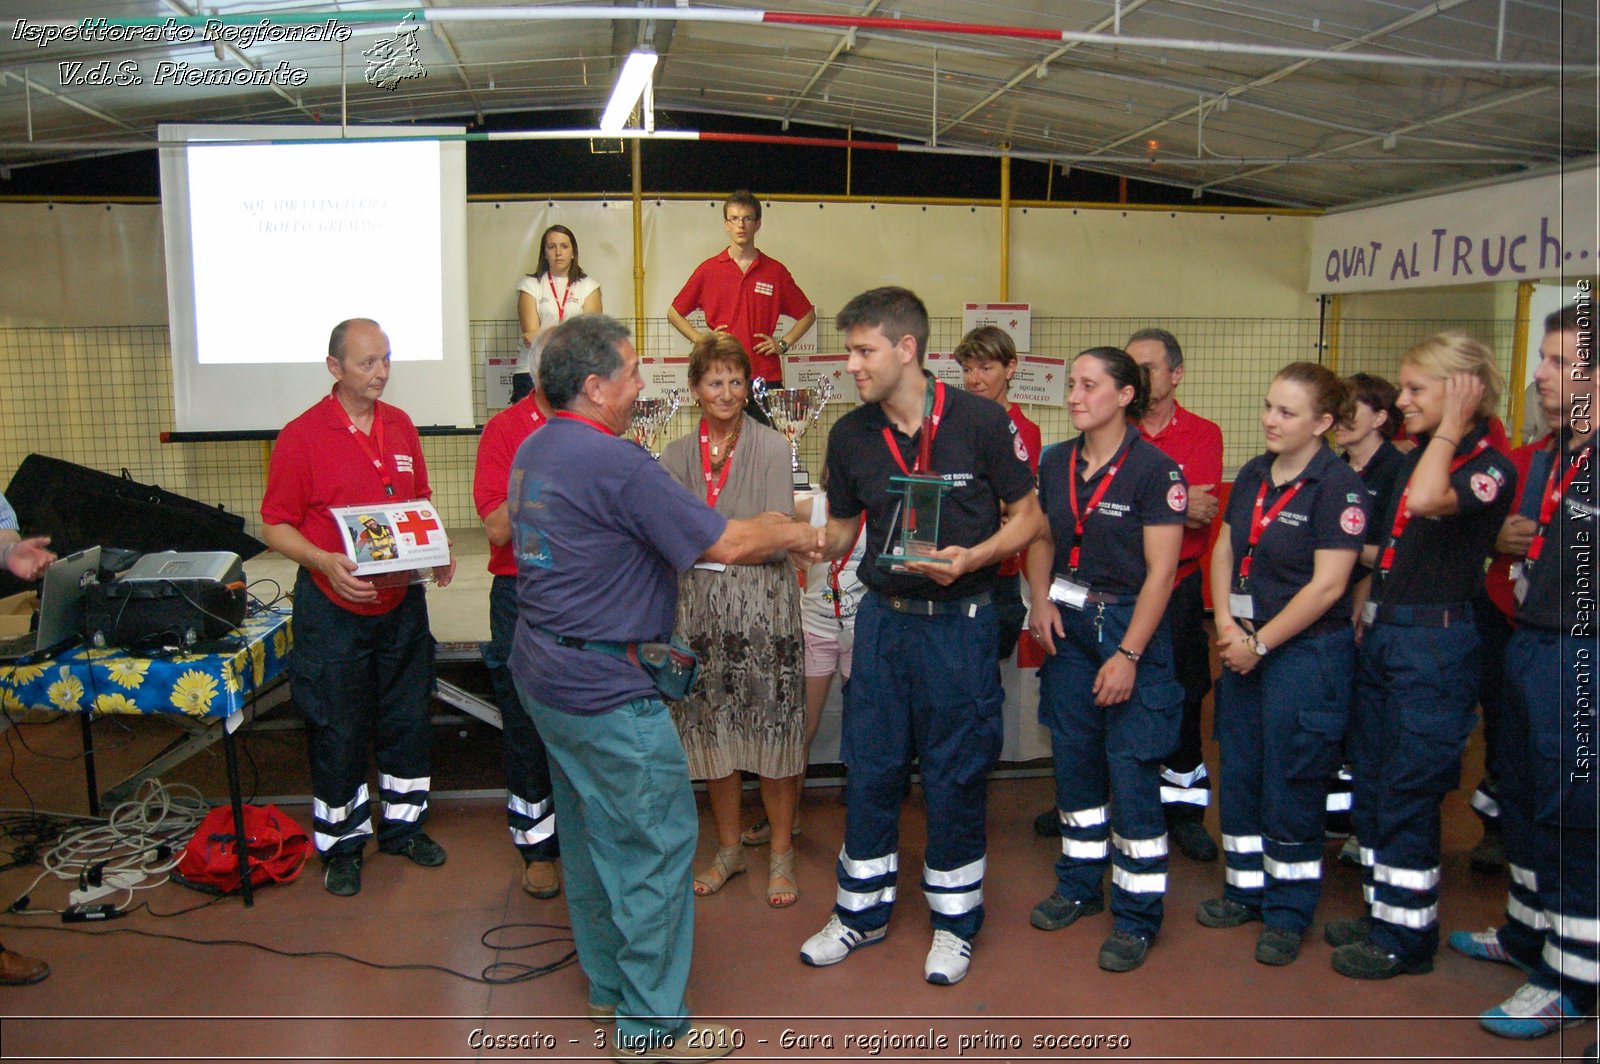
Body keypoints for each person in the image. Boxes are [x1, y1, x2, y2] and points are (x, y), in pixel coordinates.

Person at [507, 314, 823, 1061]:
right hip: (605, 688)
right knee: (654, 843)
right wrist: (791, 528)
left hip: (544, 674)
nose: (640, 385)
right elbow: (726, 541)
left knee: (588, 835)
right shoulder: (616, 461)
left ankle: (610, 990)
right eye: (630, 372)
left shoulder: (536, 447)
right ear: (594, 386)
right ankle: (650, 1031)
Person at [798, 286, 1043, 987]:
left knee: (955, 775)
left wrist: (976, 557)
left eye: (863, 349)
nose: (851, 364)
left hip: (960, 629)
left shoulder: (980, 423)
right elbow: (845, 530)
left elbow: (1028, 517)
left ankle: (955, 923)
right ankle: (859, 912)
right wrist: (799, 539)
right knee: (869, 770)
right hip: (882, 626)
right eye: (850, 350)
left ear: (907, 349)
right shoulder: (850, 435)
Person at [1326, 331, 1517, 980]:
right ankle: (1385, 912)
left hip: (1434, 646)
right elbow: (1393, 544)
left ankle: (1407, 941)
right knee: (1377, 783)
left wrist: (1450, 429)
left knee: (1408, 788)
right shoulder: (1418, 455)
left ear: (1464, 391)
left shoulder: (1490, 463)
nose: (1402, 401)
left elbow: (1431, 502)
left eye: (1416, 389)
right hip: (1387, 632)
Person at [261, 318, 455, 897]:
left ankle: (403, 827)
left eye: (387, 360)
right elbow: (275, 525)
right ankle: (342, 846)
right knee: (338, 729)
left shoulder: (400, 426)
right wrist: (323, 561)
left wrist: (437, 548)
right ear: (334, 367)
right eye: (368, 362)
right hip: (333, 610)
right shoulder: (302, 435)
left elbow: (418, 501)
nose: (382, 372)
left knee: (407, 719)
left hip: (401, 605)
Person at [1448, 302, 1597, 1040]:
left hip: (1585, 655)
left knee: (1576, 815)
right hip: (1529, 641)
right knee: (1525, 796)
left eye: (1558, 362)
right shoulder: (1546, 455)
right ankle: (1528, 932)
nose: (1537, 373)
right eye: (1543, 358)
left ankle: (1569, 979)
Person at [1196, 363, 1367, 967]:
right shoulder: (1252, 472)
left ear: (1323, 423)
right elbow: (1224, 545)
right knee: (1241, 769)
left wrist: (1259, 643)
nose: (1270, 419)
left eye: (1287, 412)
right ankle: (1245, 888)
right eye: (1269, 406)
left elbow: (1328, 587)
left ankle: (1289, 910)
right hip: (1243, 646)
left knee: (1292, 780)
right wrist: (1223, 624)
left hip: (1302, 655)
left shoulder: (1337, 487)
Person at [1025, 346, 1186, 973]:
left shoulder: (1156, 471)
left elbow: (1163, 573)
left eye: (1089, 385)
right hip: (1067, 623)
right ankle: (1078, 884)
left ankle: (1138, 915)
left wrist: (1128, 654)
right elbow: (1039, 536)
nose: (1073, 396)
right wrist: (1039, 597)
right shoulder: (1055, 462)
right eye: (1071, 384)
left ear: (1124, 396)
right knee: (1075, 761)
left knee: (1133, 768)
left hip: (1127, 625)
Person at [659, 333, 806, 908]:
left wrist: (712, 536)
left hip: (765, 612)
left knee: (771, 732)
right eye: (714, 381)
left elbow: (777, 529)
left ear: (750, 387)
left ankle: (781, 856)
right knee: (713, 734)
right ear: (695, 389)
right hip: (696, 612)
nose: (726, 391)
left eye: (736, 380)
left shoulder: (773, 447)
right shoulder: (672, 455)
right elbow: (668, 532)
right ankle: (728, 852)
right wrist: (739, 535)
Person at [1122, 328, 1224, 862]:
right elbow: (1106, 507)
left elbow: (1203, 511)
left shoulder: (1204, 434)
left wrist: (1134, 504)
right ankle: (1109, 801)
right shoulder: (1118, 430)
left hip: (1180, 589)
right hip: (1121, 589)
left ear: (1176, 373)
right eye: (1131, 366)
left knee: (1184, 695)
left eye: (1150, 367)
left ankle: (1185, 813)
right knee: (1113, 692)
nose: (1140, 377)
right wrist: (1170, 502)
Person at [472, 343, 561, 900]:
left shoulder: (597, 425)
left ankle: (582, 838)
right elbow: (499, 528)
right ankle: (537, 846)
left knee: (581, 716)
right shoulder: (505, 431)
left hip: (578, 593)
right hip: (521, 593)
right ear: (538, 372)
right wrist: (552, 471)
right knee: (525, 721)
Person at [1326, 372, 1406, 849]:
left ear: (1380, 417)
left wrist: (1345, 548)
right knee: (1336, 713)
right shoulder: (1336, 469)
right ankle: (1338, 814)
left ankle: (1368, 825)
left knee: (1372, 720)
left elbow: (1398, 550)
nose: (1339, 417)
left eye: (1351, 407)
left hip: (1376, 609)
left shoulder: (1396, 472)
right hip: (1330, 608)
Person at [668, 190, 816, 388]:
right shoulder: (709, 270)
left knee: (765, 422)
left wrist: (782, 344)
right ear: (726, 224)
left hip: (765, 377)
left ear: (758, 224)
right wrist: (700, 340)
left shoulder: (775, 272)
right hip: (721, 374)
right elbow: (674, 313)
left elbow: (808, 315)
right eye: (735, 218)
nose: (741, 225)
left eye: (747, 218)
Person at [956, 325, 1041, 659]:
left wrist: (966, 501)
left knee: (989, 675)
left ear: (1010, 368)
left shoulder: (1023, 429)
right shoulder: (954, 423)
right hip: (956, 567)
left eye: (985, 368)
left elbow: (1015, 500)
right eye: (967, 369)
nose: (974, 379)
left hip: (997, 572)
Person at [516, 225, 602, 401]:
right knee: (533, 428)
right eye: (551, 246)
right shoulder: (530, 285)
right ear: (544, 253)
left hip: (575, 373)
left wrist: (546, 335)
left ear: (573, 252)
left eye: (564, 246)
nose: (558, 252)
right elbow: (531, 338)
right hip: (532, 373)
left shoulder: (588, 286)